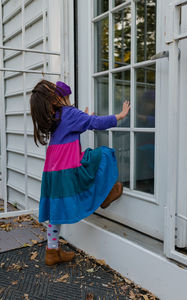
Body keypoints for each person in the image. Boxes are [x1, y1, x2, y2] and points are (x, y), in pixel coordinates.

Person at [30, 80, 130, 266]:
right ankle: (105, 196)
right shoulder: (68, 113)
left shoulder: (55, 118)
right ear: (59, 98)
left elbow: (77, 125)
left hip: (53, 172)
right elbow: (96, 123)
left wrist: (84, 117)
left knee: (55, 210)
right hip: (69, 169)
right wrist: (119, 116)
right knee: (104, 154)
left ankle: (52, 251)